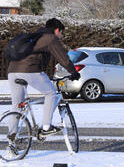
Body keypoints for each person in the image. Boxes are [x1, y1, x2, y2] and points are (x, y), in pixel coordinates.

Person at [7, 18, 80, 151]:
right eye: (61, 33)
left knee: (17, 107)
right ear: (57, 30)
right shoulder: (50, 38)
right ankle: (46, 127)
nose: (61, 36)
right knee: (51, 93)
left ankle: (12, 141)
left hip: (12, 71)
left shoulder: (35, 36)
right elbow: (63, 58)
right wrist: (73, 72)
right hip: (29, 69)